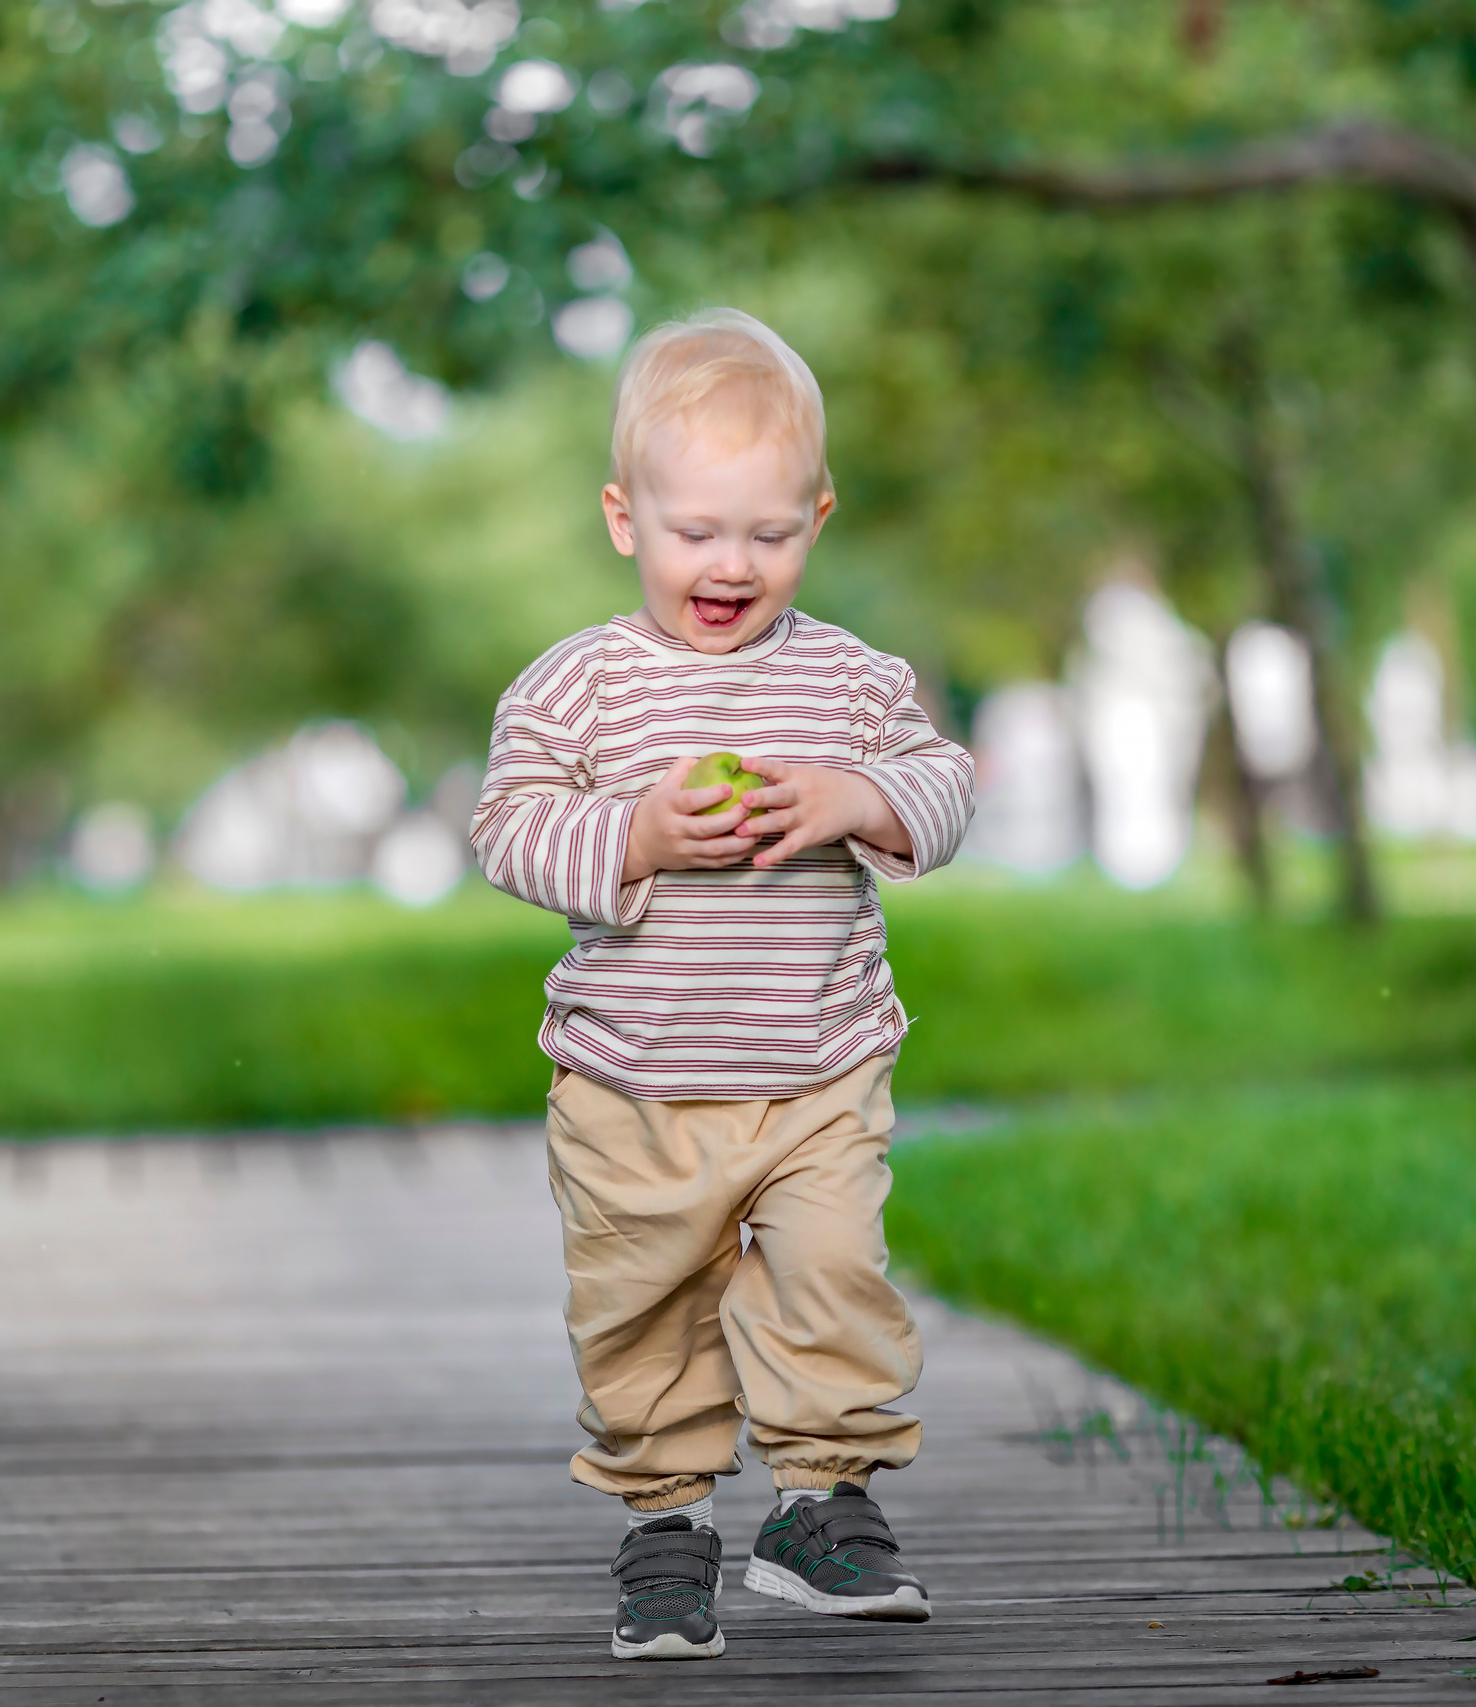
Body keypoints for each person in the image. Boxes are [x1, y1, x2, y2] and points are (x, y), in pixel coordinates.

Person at [472, 309, 975, 1662]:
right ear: (624, 518)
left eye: (770, 532)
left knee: (834, 1277)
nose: (732, 564)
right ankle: (667, 1520)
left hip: (817, 1066)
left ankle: (822, 1504)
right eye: (695, 531)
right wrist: (635, 834)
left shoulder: (851, 681)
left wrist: (856, 797)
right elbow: (508, 828)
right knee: (643, 1309)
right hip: (633, 1081)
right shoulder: (579, 687)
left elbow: (943, 784)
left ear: (819, 516)